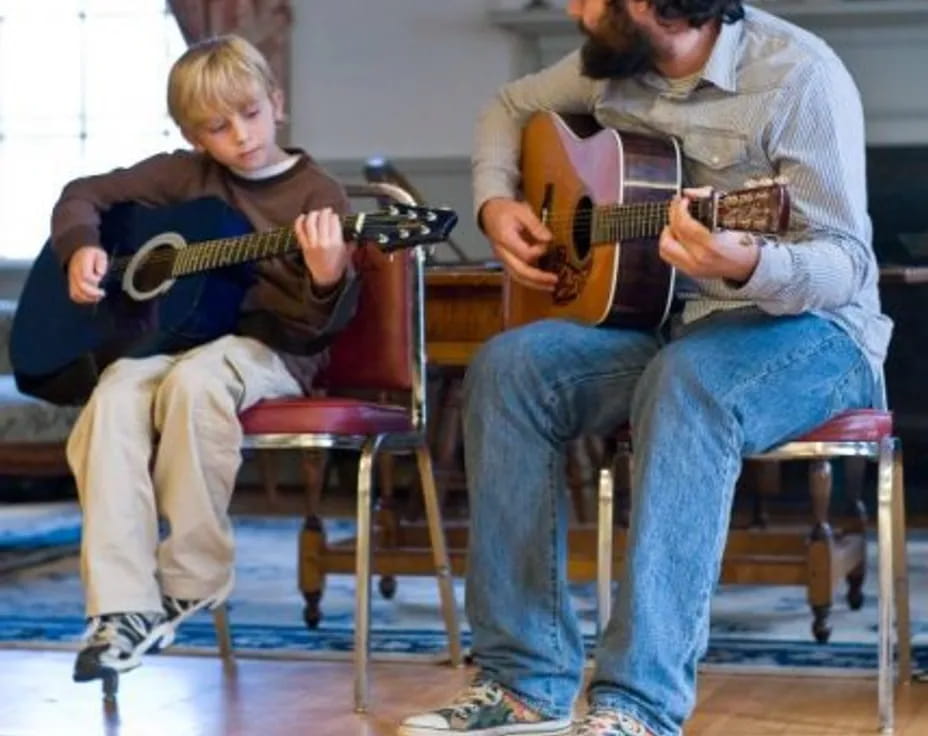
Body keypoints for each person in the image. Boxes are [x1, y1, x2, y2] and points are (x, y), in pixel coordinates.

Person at [399, 1, 891, 735]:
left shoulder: (798, 75)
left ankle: (636, 705)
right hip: (665, 322)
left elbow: (844, 264)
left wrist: (749, 261)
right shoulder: (611, 60)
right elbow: (508, 107)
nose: (574, 8)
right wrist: (497, 202)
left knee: (688, 381)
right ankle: (523, 683)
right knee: (509, 368)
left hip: (813, 334)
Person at [53, 34, 359, 685]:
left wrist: (328, 275)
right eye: (217, 128)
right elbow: (83, 194)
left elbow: (312, 327)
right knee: (113, 391)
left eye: (250, 113)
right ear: (194, 137)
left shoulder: (318, 194)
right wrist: (81, 247)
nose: (241, 136)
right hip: (177, 343)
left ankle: (192, 581)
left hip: (273, 351)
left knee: (196, 382)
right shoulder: (182, 176)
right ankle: (123, 609)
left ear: (276, 103)